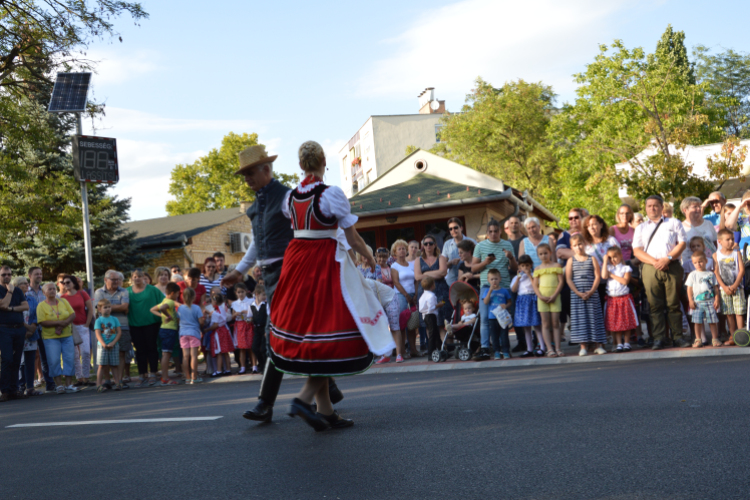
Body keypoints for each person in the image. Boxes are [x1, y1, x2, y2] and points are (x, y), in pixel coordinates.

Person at [265, 140, 393, 432]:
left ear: (300, 165)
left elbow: (297, 227)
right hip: (322, 265)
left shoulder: (290, 198)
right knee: (329, 334)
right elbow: (353, 236)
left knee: (313, 336)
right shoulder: (330, 195)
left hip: (296, 265)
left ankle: (326, 412)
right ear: (324, 162)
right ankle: (302, 399)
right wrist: (370, 256)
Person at [221, 144, 346, 424]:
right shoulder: (258, 205)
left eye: (251, 173)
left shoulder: (287, 197)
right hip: (268, 275)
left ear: (267, 169)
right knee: (296, 335)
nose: (248, 179)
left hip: (290, 272)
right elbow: (257, 242)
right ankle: (327, 394)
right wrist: (240, 270)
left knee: (276, 336)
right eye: (245, 175)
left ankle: (268, 403)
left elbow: (308, 230)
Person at [632, 195, 688, 350]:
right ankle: (659, 338)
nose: (652, 208)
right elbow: (637, 250)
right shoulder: (641, 227)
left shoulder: (674, 222)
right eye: (649, 206)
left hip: (672, 265)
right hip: (651, 267)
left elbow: (682, 243)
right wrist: (655, 262)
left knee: (673, 304)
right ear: (645, 208)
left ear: (662, 207)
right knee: (655, 305)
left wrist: (668, 258)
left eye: (656, 205)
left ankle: (678, 337)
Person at [471, 219, 517, 360]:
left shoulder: (507, 245)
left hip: (503, 286)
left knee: (504, 319)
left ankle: (504, 349)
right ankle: (485, 348)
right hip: (487, 286)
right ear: (487, 233)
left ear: (500, 231)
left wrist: (511, 258)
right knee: (485, 318)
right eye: (490, 232)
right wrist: (485, 262)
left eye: (496, 231)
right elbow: (473, 268)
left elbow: (514, 268)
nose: (493, 234)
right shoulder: (480, 246)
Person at [567, 234, 607, 356]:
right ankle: (583, 347)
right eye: (575, 245)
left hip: (592, 294)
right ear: (571, 247)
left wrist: (591, 291)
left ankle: (598, 345)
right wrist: (578, 293)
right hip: (577, 295)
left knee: (594, 318)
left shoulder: (592, 259)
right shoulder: (571, 260)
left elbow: (597, 276)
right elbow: (568, 279)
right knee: (580, 320)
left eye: (580, 244)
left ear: (584, 244)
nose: (578, 247)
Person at [36, 283, 79, 394]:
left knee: (69, 359)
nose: (52, 291)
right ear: (44, 292)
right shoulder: (41, 305)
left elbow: (72, 314)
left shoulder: (63, 302)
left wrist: (63, 324)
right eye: (49, 289)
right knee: (54, 360)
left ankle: (69, 384)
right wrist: (60, 322)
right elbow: (42, 322)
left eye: (54, 289)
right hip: (51, 338)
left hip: (67, 336)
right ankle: (59, 385)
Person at [128, 269, 165, 387]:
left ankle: (153, 373)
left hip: (151, 324)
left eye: (139, 276)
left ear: (144, 277)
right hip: (135, 325)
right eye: (135, 276)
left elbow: (163, 303)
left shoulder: (152, 290)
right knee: (140, 350)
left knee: (152, 348)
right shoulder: (127, 292)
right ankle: (142, 374)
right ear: (132, 278)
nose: (137, 278)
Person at [94, 270, 132, 387]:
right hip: (104, 328)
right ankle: (107, 380)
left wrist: (107, 307)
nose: (116, 281)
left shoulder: (124, 291)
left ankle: (118, 380)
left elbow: (125, 306)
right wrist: (119, 307)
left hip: (122, 326)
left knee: (121, 354)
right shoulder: (99, 292)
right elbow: (98, 307)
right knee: (105, 354)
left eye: (117, 279)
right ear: (106, 280)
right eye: (113, 279)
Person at [0, 266, 29, 402]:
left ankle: (14, 389)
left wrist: (11, 308)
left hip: (18, 328)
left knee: (17, 360)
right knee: (7, 359)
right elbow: (2, 305)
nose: (7, 277)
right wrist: (9, 292)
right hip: (4, 329)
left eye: (9, 274)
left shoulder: (18, 290)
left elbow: (25, 306)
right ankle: (5, 391)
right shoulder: (10, 290)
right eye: (3, 274)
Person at [414, 234, 450, 344]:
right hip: (425, 294)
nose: (428, 245)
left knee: (442, 321)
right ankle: (432, 348)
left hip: (441, 292)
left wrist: (426, 273)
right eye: (426, 243)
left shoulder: (441, 258)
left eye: (430, 243)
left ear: (435, 245)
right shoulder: (418, 260)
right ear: (423, 246)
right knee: (428, 322)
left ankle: (445, 346)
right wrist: (435, 273)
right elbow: (418, 277)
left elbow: (443, 273)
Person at [601, 247, 639, 352]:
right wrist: (604, 261)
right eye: (610, 257)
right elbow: (604, 276)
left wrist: (612, 275)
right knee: (615, 322)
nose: (613, 259)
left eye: (615, 257)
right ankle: (619, 343)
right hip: (612, 299)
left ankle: (626, 343)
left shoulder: (625, 268)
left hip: (624, 298)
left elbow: (625, 281)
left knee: (626, 321)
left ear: (620, 256)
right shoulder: (608, 268)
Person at [714, 228, 746, 344]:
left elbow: (741, 270)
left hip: (737, 288)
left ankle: (742, 335)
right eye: (727, 239)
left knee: (739, 312)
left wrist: (735, 285)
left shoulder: (736, 253)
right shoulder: (716, 255)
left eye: (732, 239)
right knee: (729, 313)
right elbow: (716, 273)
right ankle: (733, 336)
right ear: (720, 241)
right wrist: (724, 287)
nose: (731, 241)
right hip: (724, 290)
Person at [60, 275, 93, 387]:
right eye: (63, 283)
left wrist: (87, 324)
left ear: (74, 283)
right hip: (71, 328)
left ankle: (86, 377)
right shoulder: (62, 297)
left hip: (83, 326)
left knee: (86, 352)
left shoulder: (82, 294)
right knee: (75, 354)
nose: (66, 285)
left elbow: (90, 309)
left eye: (68, 282)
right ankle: (79, 378)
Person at [389, 239, 419, 362]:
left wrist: (416, 294)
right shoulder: (394, 266)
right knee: (402, 324)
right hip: (401, 296)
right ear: (395, 252)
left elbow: (416, 280)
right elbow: (395, 282)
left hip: (413, 295)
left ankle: (413, 349)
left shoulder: (412, 265)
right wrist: (406, 294)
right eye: (399, 249)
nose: (402, 250)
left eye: (403, 248)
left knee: (412, 324)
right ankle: (402, 351)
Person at [532, 244, 564, 357]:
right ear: (538, 255)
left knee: (555, 323)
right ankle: (549, 349)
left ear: (550, 253)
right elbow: (535, 285)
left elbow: (561, 282)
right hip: (542, 299)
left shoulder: (557, 265)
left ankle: (558, 348)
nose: (543, 256)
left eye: (545, 253)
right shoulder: (537, 269)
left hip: (555, 298)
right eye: (541, 254)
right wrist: (540, 296)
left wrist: (555, 295)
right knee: (545, 324)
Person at [27, 267, 54, 392]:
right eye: (36, 274)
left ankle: (50, 384)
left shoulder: (45, 290)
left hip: (44, 328)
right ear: (30, 275)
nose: (39, 276)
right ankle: (29, 386)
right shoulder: (25, 291)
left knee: (46, 357)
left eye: (40, 274)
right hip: (30, 328)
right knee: (30, 357)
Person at [686, 251, 721, 348]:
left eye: (700, 261)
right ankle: (698, 339)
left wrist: (717, 299)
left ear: (706, 261)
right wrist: (690, 300)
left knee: (712, 321)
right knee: (697, 321)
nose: (698, 264)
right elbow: (689, 288)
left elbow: (715, 288)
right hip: (697, 303)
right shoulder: (692, 275)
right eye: (695, 262)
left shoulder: (711, 274)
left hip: (710, 302)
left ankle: (715, 338)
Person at [14, 276, 41, 396]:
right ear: (17, 286)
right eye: (24, 283)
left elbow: (35, 314)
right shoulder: (13, 300)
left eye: (26, 283)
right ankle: (20, 387)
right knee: (20, 362)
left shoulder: (31, 299)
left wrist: (32, 328)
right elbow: (13, 317)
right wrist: (24, 328)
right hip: (18, 333)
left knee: (30, 361)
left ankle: (30, 387)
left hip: (31, 334)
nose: (27, 285)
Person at [150, 282, 181, 386]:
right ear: (172, 293)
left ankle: (165, 377)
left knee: (165, 354)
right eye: (177, 294)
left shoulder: (164, 300)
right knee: (166, 355)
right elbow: (163, 309)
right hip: (169, 330)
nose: (178, 296)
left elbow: (152, 309)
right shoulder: (171, 302)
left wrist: (163, 316)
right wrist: (168, 316)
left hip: (163, 329)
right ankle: (165, 378)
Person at [511, 254, 541, 358]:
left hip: (532, 300)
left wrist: (529, 275)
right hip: (522, 301)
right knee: (526, 327)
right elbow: (513, 290)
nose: (525, 268)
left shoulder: (533, 275)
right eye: (523, 266)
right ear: (519, 267)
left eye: (527, 265)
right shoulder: (517, 278)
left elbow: (535, 286)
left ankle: (542, 347)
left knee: (537, 325)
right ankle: (529, 349)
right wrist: (518, 279)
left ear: (531, 265)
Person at [481, 268, 512, 360]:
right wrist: (490, 291)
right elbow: (485, 302)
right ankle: (496, 352)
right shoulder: (487, 291)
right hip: (492, 317)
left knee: (504, 335)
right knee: (494, 336)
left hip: (502, 317)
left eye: (496, 279)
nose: (494, 281)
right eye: (492, 279)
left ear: (500, 279)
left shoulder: (504, 291)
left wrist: (506, 306)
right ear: (488, 280)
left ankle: (505, 351)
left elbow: (510, 302)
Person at [94, 299, 122, 392]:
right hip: (102, 346)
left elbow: (119, 332)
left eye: (109, 307)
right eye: (105, 307)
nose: (107, 309)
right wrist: (103, 344)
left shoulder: (115, 319)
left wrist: (113, 343)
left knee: (114, 365)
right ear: (99, 309)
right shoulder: (99, 320)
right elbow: (98, 333)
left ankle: (117, 383)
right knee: (102, 365)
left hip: (114, 345)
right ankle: (98, 385)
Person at [177, 287, 204, 384]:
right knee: (194, 356)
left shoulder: (180, 308)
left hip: (183, 334)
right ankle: (194, 377)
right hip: (194, 333)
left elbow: (178, 320)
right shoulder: (196, 308)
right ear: (194, 297)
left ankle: (187, 377)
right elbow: (201, 321)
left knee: (185, 356)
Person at [681, 197, 718, 267]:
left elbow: (715, 243)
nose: (699, 209)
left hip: (712, 265)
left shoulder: (708, 224)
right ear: (685, 210)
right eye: (695, 207)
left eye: (699, 206)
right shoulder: (680, 227)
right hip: (691, 267)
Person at [443, 217, 476, 288]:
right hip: (452, 282)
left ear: (461, 228)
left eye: (455, 227)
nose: (453, 230)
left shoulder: (471, 242)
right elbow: (443, 265)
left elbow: (478, 260)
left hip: (469, 280)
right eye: (450, 229)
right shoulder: (447, 244)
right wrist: (451, 262)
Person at [205, 293, 233, 377]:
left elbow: (215, 325)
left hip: (218, 332)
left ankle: (218, 370)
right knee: (225, 351)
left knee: (219, 352)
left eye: (212, 300)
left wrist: (207, 329)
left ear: (215, 301)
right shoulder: (222, 309)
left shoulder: (215, 312)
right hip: (224, 330)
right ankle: (227, 369)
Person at [230, 283, 255, 374]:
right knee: (242, 348)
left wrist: (246, 311)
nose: (240, 294)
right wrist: (236, 314)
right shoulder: (234, 303)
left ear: (246, 292)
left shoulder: (251, 301)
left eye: (242, 292)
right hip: (239, 325)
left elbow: (254, 312)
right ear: (236, 293)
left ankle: (254, 366)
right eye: (239, 292)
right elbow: (232, 316)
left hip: (248, 324)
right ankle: (243, 367)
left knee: (250, 347)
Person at [419, 276, 440, 357]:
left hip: (425, 316)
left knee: (435, 332)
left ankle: (439, 347)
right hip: (430, 315)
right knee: (432, 334)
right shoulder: (431, 296)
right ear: (432, 286)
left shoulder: (422, 296)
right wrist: (438, 305)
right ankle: (431, 352)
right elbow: (431, 308)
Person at [250, 285, 268, 374]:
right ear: (257, 294)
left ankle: (265, 367)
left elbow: (269, 317)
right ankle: (261, 364)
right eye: (263, 295)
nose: (265, 297)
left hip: (264, 328)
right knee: (255, 348)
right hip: (256, 329)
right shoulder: (252, 305)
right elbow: (249, 317)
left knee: (264, 349)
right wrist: (248, 319)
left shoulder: (266, 305)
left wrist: (267, 330)